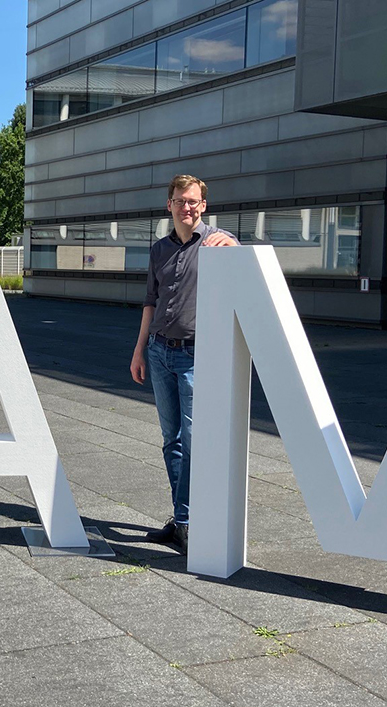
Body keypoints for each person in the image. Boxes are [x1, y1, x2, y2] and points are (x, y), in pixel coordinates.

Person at [130, 175, 238, 551]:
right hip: (159, 351)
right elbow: (150, 301)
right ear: (170, 205)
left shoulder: (216, 243)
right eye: (180, 201)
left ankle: (187, 520)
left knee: (193, 441)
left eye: (193, 201)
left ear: (203, 206)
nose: (186, 207)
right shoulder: (159, 250)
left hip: (195, 354)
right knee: (170, 439)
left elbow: (241, 263)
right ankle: (182, 520)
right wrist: (139, 350)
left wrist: (236, 245)